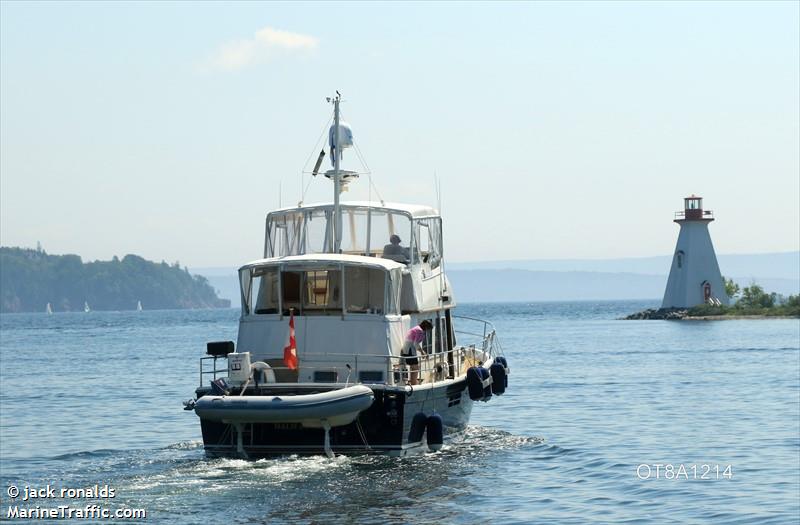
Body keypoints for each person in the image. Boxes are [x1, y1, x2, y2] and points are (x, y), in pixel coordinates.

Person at [401, 320, 433, 385]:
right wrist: (422, 352)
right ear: (426, 327)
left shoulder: (416, 328)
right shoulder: (420, 331)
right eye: (428, 329)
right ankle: (413, 383)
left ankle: (413, 382)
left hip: (406, 349)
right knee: (415, 368)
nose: (427, 331)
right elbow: (415, 344)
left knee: (414, 367)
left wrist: (422, 351)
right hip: (410, 350)